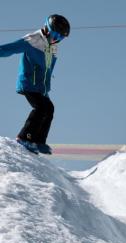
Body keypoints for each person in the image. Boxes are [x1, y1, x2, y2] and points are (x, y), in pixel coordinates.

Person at [0, 14, 71, 154]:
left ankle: (39, 141)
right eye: (55, 36)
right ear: (47, 29)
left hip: (41, 87)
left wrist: (46, 88)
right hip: (28, 82)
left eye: (61, 38)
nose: (57, 40)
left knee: (49, 108)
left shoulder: (53, 47)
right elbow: (11, 48)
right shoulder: (34, 39)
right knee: (40, 108)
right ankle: (24, 137)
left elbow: (48, 70)